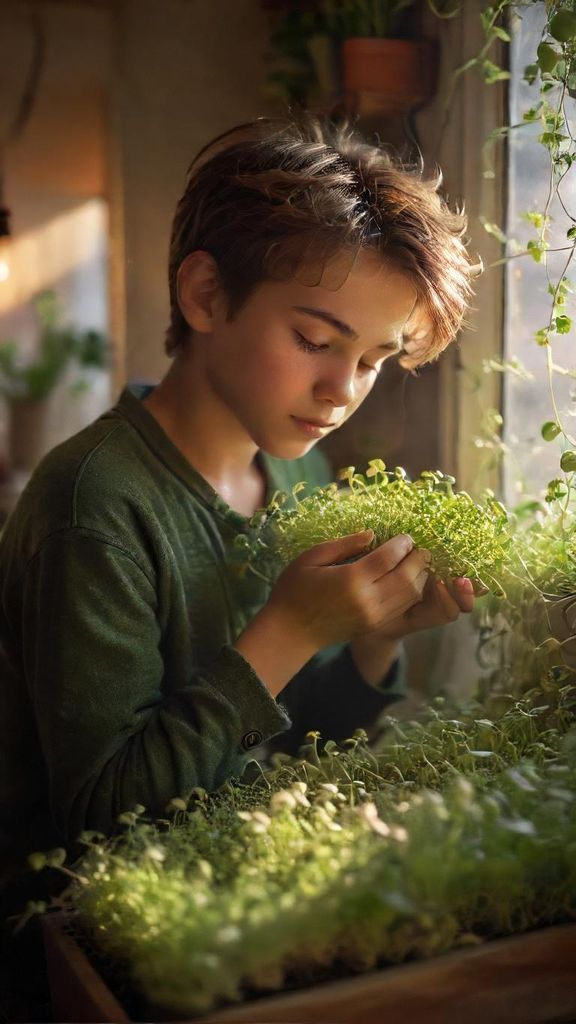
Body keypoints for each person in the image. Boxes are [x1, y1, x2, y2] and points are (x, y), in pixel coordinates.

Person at [0, 111, 478, 912]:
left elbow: (286, 741)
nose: (342, 391)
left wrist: (372, 640)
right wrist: (286, 629)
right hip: (72, 935)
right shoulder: (92, 505)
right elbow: (100, 826)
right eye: (314, 340)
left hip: (228, 898)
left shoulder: (299, 472)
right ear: (205, 295)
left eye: (372, 361)